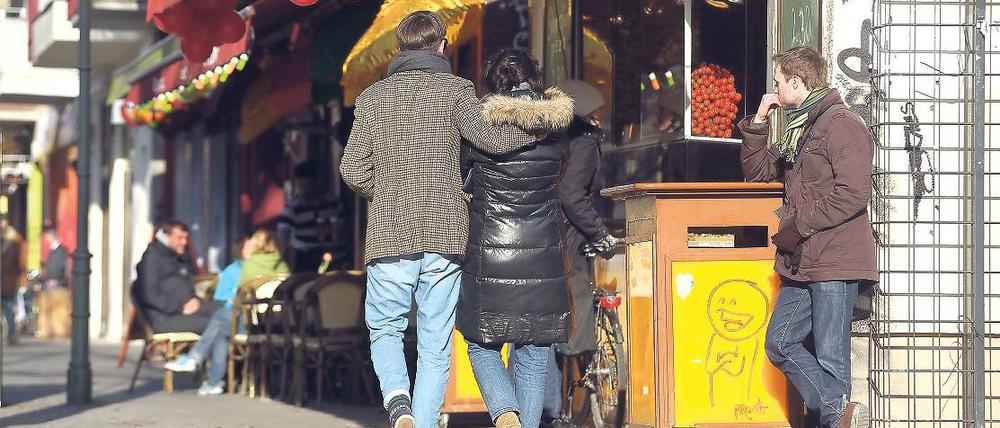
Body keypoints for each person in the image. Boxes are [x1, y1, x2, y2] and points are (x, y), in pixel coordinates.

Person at [339, 11, 538, 428]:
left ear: (398, 48)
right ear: (442, 45)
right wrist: (540, 126)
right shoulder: (456, 90)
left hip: (390, 232)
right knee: (435, 344)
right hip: (445, 230)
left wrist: (387, 192)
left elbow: (352, 168)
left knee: (386, 329)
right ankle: (425, 422)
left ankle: (399, 403)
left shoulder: (373, 98)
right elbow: (492, 140)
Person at [739, 46, 874, 428]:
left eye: (779, 82)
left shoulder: (841, 124)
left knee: (831, 357)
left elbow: (853, 193)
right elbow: (758, 173)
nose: (775, 90)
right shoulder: (800, 127)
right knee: (780, 343)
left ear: (797, 82)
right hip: (803, 261)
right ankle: (839, 411)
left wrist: (800, 224)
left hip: (834, 260)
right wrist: (759, 121)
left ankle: (836, 416)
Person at [455, 48, 574, 428]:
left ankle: (505, 411)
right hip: (543, 255)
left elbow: (462, 179)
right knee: (535, 353)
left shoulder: (481, 128)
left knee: (481, 343)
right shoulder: (558, 128)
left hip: (490, 251)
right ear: (534, 78)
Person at [165, 229, 289, 395]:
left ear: (258, 245)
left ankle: (199, 363)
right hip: (278, 325)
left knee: (222, 317)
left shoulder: (250, 266)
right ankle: (211, 380)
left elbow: (240, 299)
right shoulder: (283, 266)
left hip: (252, 325)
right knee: (222, 328)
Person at [134, 221, 220, 334]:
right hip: (164, 318)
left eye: (186, 238)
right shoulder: (151, 260)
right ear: (166, 236)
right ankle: (205, 346)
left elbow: (189, 286)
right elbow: (149, 295)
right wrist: (180, 307)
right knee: (214, 324)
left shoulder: (180, 258)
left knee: (224, 312)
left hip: (188, 309)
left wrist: (195, 300)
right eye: (179, 238)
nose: (184, 242)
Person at [277, 162, 347, 272]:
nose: (307, 190)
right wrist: (283, 254)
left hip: (330, 254)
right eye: (302, 187)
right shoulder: (293, 206)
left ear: (317, 182)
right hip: (303, 256)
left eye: (309, 186)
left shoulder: (332, 203)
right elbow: (283, 231)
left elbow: (342, 229)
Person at [1, 216, 25, 345]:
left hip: (8, 281)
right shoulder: (13, 241)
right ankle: (11, 334)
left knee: (9, 309)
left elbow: (19, 263)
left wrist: (20, 279)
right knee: (9, 309)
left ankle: (11, 334)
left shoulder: (14, 241)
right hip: (7, 280)